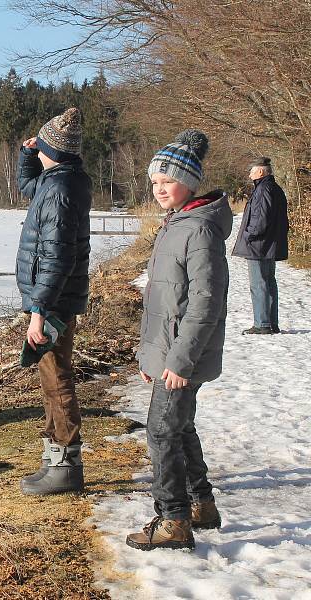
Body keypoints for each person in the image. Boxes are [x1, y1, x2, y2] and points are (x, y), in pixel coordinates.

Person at [127, 130, 232, 551]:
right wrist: (150, 356)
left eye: (166, 181)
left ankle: (173, 520)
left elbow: (205, 304)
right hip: (168, 353)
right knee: (180, 426)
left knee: (161, 433)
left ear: (189, 182)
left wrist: (178, 360)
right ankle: (201, 504)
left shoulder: (200, 231)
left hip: (182, 356)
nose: (159, 189)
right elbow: (164, 299)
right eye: (154, 182)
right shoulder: (177, 224)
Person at [15, 107, 92, 495]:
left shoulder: (60, 190)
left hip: (54, 302)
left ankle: (66, 464)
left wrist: (39, 310)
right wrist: (28, 152)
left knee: (57, 379)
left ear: (54, 150)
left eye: (42, 145)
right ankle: (53, 458)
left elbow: (58, 256)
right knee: (49, 375)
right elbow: (26, 186)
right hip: (53, 299)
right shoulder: (60, 180)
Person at [232, 157, 289, 334]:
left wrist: (248, 236)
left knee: (259, 284)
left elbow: (260, 219)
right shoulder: (275, 188)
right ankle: (272, 323)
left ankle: (262, 324)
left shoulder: (263, 190)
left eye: (252, 171)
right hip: (269, 244)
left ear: (261, 172)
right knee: (269, 283)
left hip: (259, 245)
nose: (249, 174)